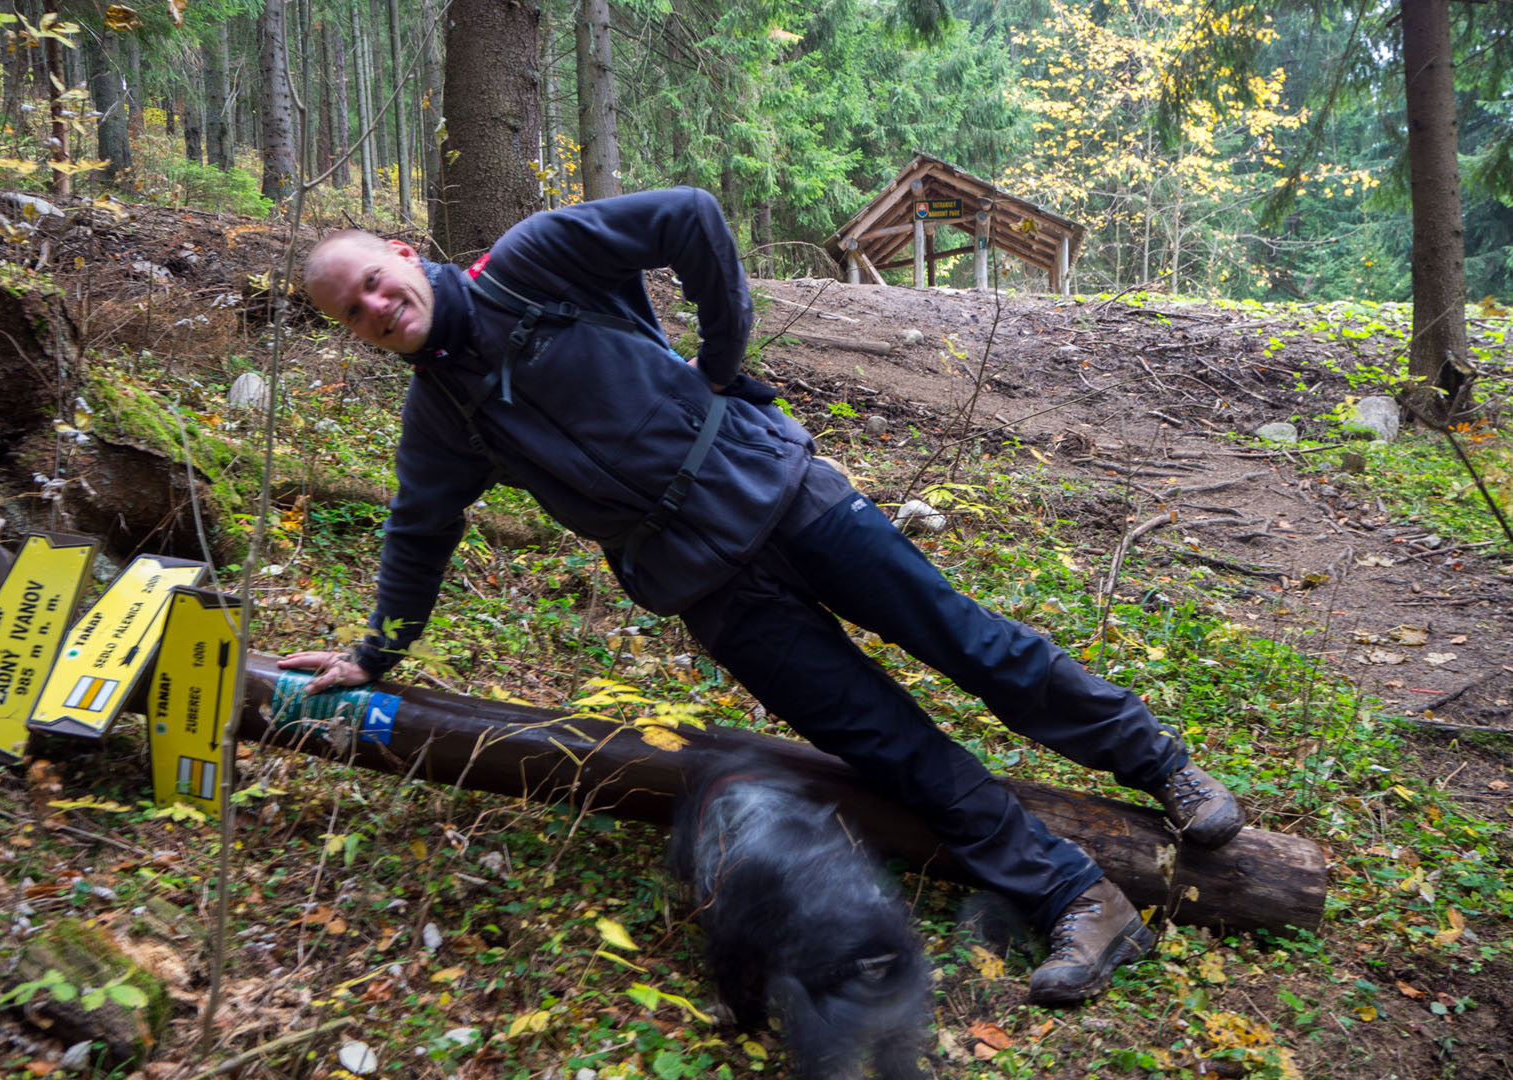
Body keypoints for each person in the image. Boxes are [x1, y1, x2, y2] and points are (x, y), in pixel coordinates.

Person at [282, 187, 1243, 1005]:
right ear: (355, 335)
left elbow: (690, 217)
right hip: (709, 588)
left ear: (404, 255)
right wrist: (374, 656)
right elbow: (418, 535)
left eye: (376, 281)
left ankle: (1161, 767)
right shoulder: (439, 422)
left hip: (786, 499)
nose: (376, 307)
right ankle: (1078, 902)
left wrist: (720, 355)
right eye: (354, 314)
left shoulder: (531, 262)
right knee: (885, 742)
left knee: (971, 645)